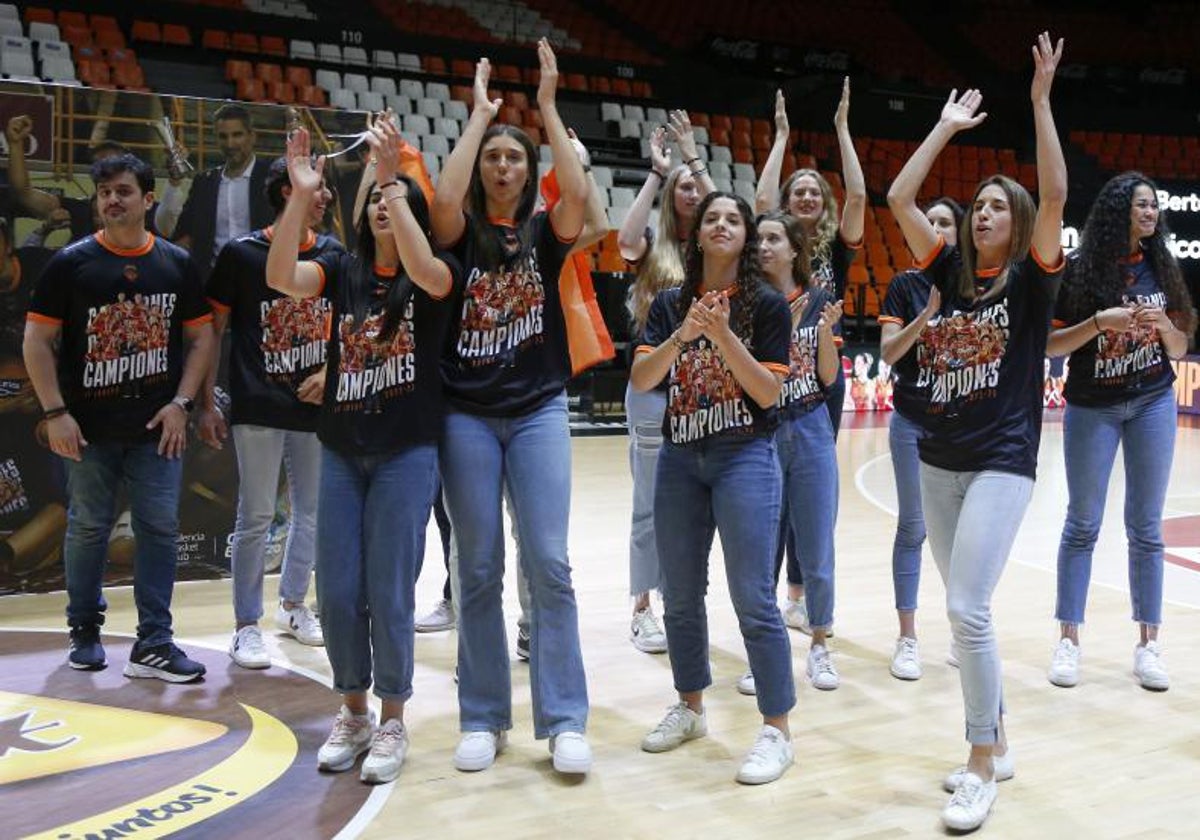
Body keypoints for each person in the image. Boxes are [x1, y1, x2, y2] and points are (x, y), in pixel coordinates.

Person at [885, 32, 1066, 832]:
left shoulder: (1027, 282)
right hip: (938, 455)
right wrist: (946, 130)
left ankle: (979, 763)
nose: (984, 211)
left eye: (998, 205)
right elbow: (897, 199)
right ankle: (998, 736)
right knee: (966, 608)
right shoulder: (945, 272)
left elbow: (1056, 195)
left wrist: (1037, 101)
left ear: (1016, 221)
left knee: (966, 609)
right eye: (979, 205)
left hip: (1002, 458)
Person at [266, 119, 456, 784]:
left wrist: (387, 178)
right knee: (339, 592)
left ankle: (394, 714)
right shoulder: (343, 270)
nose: (383, 203)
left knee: (389, 590)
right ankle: (354, 710)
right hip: (343, 449)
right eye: (375, 198)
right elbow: (281, 275)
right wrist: (299, 196)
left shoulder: (434, 274)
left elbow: (427, 271)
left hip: (406, 452)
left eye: (396, 197)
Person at [430, 41, 592, 776]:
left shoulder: (543, 235)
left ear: (530, 174)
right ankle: (484, 716)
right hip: (466, 411)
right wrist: (480, 118)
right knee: (478, 566)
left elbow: (582, 200)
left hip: (537, 409)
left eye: (514, 159)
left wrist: (549, 108)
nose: (502, 168)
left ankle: (563, 719)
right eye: (493, 158)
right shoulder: (460, 236)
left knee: (550, 563)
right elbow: (438, 201)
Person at [23, 153, 215, 682]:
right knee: (87, 528)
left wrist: (182, 402)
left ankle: (154, 642)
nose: (112, 200)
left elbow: (202, 337)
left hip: (157, 429)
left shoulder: (175, 263)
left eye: (123, 191)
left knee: (159, 529)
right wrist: (55, 412)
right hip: (88, 428)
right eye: (104, 192)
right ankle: (84, 630)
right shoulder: (71, 263)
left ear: (148, 199)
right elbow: (36, 340)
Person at [631, 191, 795, 785]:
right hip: (680, 456)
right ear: (696, 235)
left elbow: (769, 393)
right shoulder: (670, 302)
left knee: (752, 596)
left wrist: (723, 335)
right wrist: (684, 334)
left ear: (746, 237)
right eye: (712, 219)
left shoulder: (769, 305)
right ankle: (691, 706)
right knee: (678, 592)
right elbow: (644, 377)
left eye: (734, 219)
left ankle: (776, 728)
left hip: (743, 454)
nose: (722, 225)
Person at [1045, 171, 1195, 691]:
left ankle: (1149, 644)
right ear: (1118, 212)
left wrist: (1165, 328)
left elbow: (1177, 348)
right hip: (1093, 406)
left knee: (1146, 527)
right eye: (1141, 206)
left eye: (1154, 206)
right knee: (1083, 522)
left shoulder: (1162, 265)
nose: (1151, 213)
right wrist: (1099, 324)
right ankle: (1068, 639)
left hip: (1153, 399)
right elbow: (1052, 346)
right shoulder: (1081, 270)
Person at [199, 156, 345, 668]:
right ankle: (245, 625)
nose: (325, 196)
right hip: (257, 403)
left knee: (312, 512)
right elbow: (211, 331)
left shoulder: (333, 254)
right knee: (257, 514)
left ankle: (292, 605)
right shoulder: (241, 255)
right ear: (289, 192)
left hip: (313, 405)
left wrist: (331, 373)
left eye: (324, 188)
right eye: (316, 188)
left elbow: (349, 327)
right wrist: (204, 400)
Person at [616, 115, 714, 654]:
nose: (691, 190)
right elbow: (626, 239)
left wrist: (693, 157)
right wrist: (659, 172)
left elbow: (733, 213)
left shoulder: (715, 248)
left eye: (695, 184)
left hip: (701, 393)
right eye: (683, 186)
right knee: (648, 505)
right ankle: (641, 607)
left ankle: (681, 599)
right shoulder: (654, 244)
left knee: (690, 508)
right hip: (654, 389)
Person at [735, 210, 841, 696]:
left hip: (811, 424)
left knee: (816, 545)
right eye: (759, 240)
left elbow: (828, 377)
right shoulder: (747, 302)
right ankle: (765, 654)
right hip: (763, 428)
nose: (764, 247)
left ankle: (819, 642)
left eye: (775, 239)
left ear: (795, 250)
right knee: (763, 549)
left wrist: (820, 335)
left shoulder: (820, 300)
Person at [878, 197, 964, 680]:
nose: (934, 228)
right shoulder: (904, 286)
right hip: (912, 420)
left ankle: (961, 628)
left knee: (959, 538)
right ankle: (907, 637)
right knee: (914, 528)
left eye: (944, 222)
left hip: (960, 425)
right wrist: (926, 315)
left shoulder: (973, 288)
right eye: (928, 221)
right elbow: (889, 353)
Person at [756, 82, 865, 438]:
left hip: (823, 356)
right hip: (774, 349)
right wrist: (781, 137)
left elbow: (859, 197)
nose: (806, 197)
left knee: (817, 462)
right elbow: (760, 202)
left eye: (814, 192)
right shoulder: (773, 241)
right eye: (798, 191)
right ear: (786, 202)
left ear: (825, 202)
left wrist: (843, 129)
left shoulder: (836, 245)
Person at [163, 104, 274, 280]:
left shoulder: (272, 177)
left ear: (252, 136)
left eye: (237, 135)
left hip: (263, 280)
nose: (230, 143)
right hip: (213, 283)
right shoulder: (204, 183)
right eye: (223, 136)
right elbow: (179, 235)